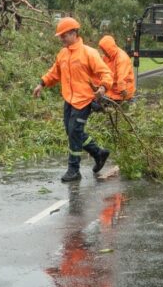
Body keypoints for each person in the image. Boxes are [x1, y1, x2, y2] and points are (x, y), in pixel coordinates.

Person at [33, 17, 113, 182]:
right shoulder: (63, 54)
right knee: (72, 132)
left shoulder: (88, 53)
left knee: (74, 132)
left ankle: (73, 169)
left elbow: (106, 73)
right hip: (69, 100)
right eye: (61, 36)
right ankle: (98, 153)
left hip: (84, 100)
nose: (61, 38)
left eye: (64, 35)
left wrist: (103, 87)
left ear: (74, 33)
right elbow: (54, 73)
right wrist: (42, 83)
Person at [97, 35, 135, 104]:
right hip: (112, 92)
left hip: (123, 94)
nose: (103, 52)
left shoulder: (121, 58)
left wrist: (123, 92)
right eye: (103, 50)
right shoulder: (107, 57)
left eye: (104, 50)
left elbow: (121, 78)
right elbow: (102, 71)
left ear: (109, 49)